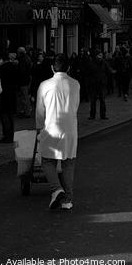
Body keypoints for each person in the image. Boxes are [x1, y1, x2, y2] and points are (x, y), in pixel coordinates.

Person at [35, 54, 80, 211]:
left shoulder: (44, 85)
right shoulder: (75, 84)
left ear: (52, 68)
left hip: (51, 128)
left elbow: (40, 112)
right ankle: (67, 200)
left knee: (47, 161)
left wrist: (39, 128)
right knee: (68, 163)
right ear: (69, 68)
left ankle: (56, 189)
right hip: (70, 129)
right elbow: (76, 106)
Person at [0, 52, 18, 144]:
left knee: (4, 115)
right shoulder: (14, 66)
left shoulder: (1, 68)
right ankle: (11, 135)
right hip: (12, 93)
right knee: (10, 115)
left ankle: (7, 135)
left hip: (4, 93)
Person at [87, 50, 112, 119]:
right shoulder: (92, 63)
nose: (100, 57)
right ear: (96, 56)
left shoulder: (104, 62)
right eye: (99, 55)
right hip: (94, 83)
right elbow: (88, 73)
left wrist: (105, 78)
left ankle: (103, 115)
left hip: (101, 83)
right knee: (93, 100)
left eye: (101, 55)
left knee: (102, 100)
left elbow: (108, 70)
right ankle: (92, 115)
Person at [16, 46, 33, 117]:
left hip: (23, 80)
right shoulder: (27, 58)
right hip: (26, 79)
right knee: (25, 96)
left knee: (24, 96)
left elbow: (22, 71)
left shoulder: (22, 59)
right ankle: (25, 111)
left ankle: (26, 112)